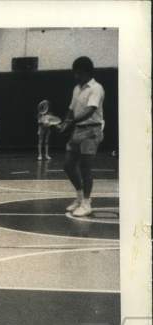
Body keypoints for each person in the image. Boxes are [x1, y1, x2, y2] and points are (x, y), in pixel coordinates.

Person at [59, 56, 105, 218]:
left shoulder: (96, 88)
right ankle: (79, 198)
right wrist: (65, 123)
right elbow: (71, 109)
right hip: (77, 131)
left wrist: (70, 122)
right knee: (68, 165)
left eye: (77, 72)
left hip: (91, 131)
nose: (75, 76)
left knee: (85, 167)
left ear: (85, 72)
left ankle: (87, 203)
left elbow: (90, 110)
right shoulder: (76, 88)